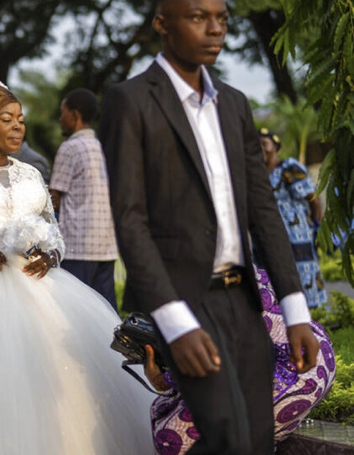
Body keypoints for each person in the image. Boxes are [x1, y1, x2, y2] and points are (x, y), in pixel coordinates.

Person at [98, 0, 320, 453]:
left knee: (256, 440)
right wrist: (175, 323)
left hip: (243, 301)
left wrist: (296, 311)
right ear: (162, 23)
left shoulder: (234, 104)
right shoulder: (131, 101)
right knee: (227, 437)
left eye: (221, 19)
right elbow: (130, 221)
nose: (215, 29)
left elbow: (263, 211)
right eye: (199, 17)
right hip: (185, 302)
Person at [0, 80, 154, 454]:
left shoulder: (31, 174)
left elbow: (55, 234)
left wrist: (50, 255)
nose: (17, 126)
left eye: (20, 119)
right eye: (6, 119)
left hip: (40, 290)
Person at [141, 266, 336, 454]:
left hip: (290, 372)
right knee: (164, 407)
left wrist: (166, 377)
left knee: (172, 439)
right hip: (313, 348)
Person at [49, 88, 118, 309]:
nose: (61, 119)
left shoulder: (70, 148)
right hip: (106, 244)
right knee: (105, 313)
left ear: (75, 115)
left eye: (63, 112)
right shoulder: (103, 147)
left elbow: (54, 198)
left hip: (77, 244)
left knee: (73, 312)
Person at [259, 128, 327, 308]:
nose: (261, 149)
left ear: (275, 146)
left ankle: (315, 318)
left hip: (297, 236)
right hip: (269, 237)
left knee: (304, 275)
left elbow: (313, 200)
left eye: (264, 144)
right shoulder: (257, 174)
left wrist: (316, 227)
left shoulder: (289, 167)